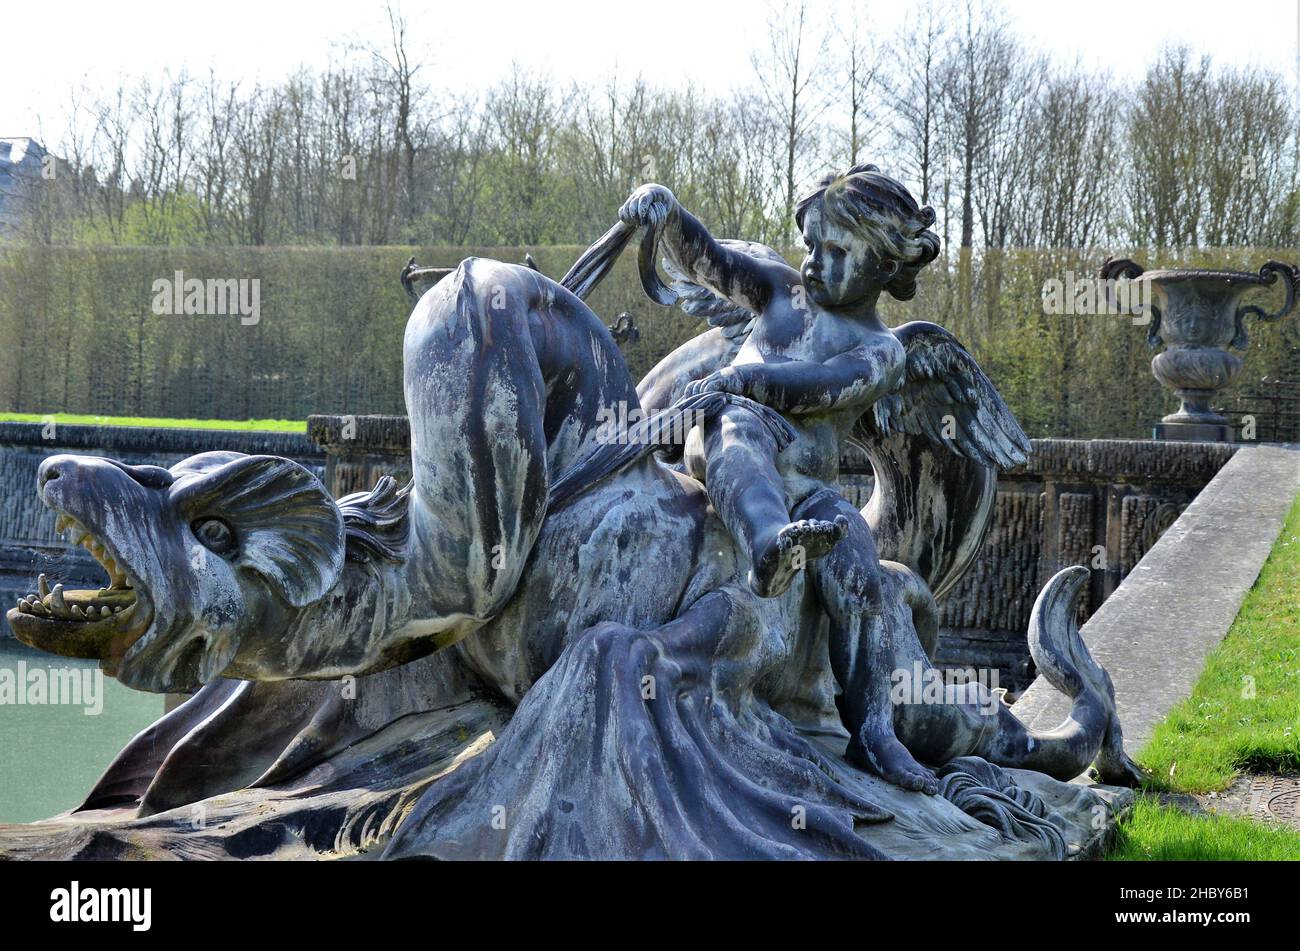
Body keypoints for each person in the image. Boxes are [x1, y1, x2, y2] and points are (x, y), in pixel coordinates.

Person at [619, 165, 944, 792]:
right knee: (739, 429)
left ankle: (874, 730)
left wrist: (746, 376)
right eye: (813, 246)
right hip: (733, 441)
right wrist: (670, 216)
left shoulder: (884, 350)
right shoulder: (777, 291)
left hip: (809, 487)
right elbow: (710, 260)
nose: (817, 263)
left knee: (859, 566)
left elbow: (824, 385)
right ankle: (769, 544)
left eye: (839, 252)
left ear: (885, 265)